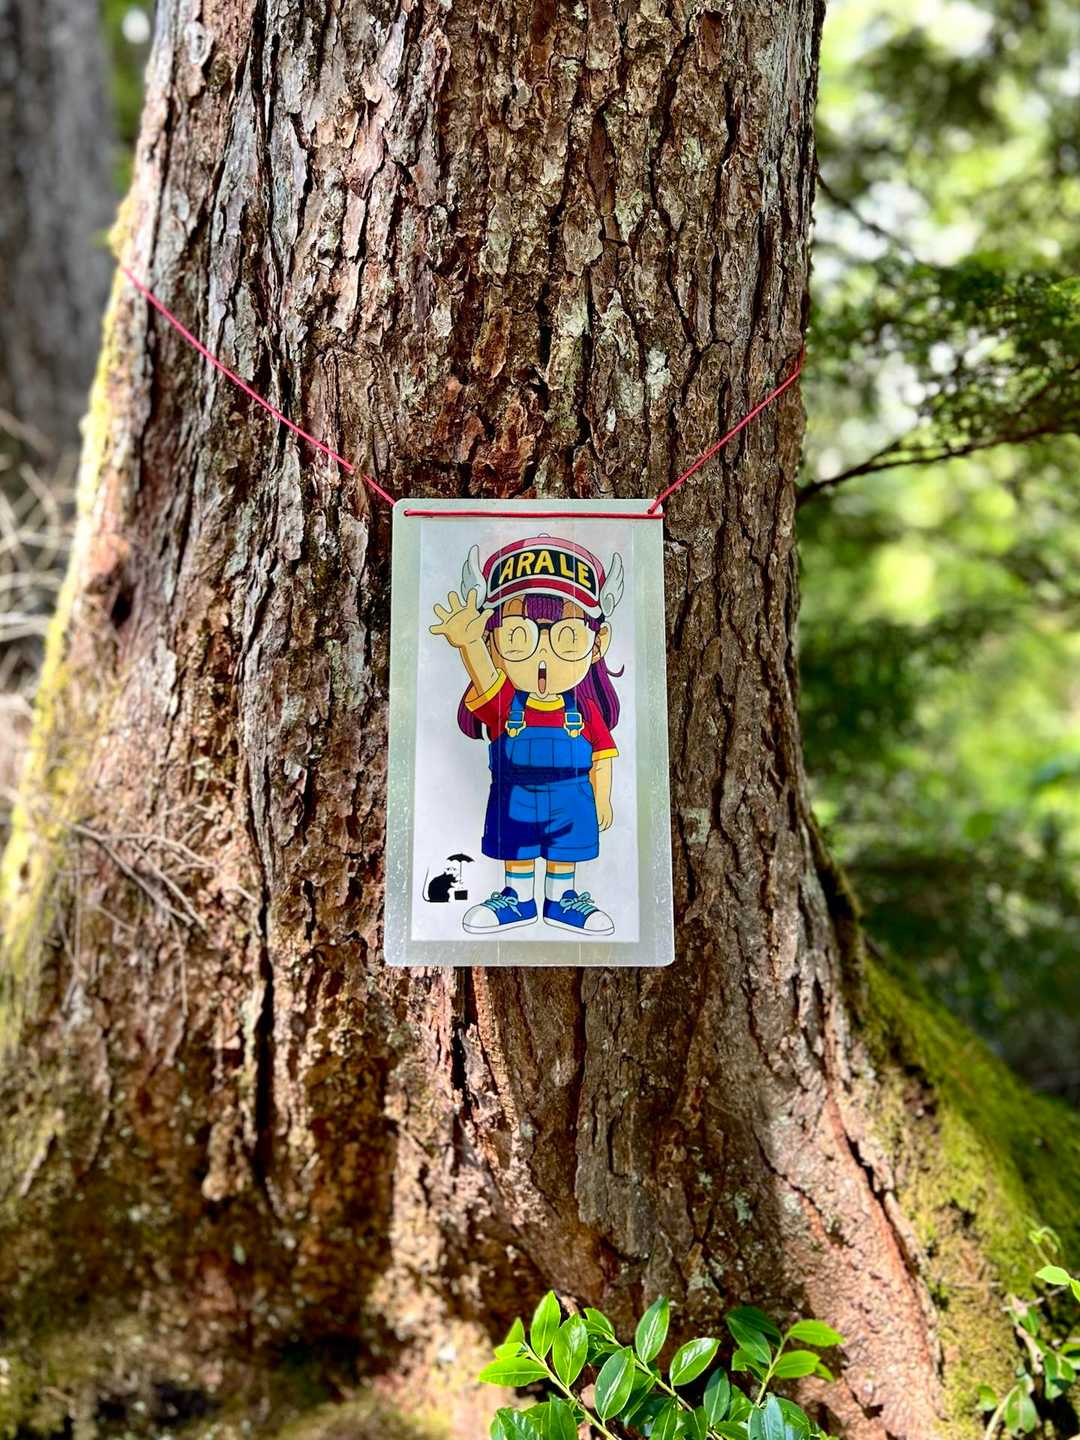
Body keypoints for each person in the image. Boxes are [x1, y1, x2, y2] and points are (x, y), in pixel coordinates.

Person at [430, 534, 624, 936]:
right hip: (514, 796)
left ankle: (562, 900)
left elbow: (602, 756)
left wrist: (602, 797)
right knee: (516, 850)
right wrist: (468, 644)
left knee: (565, 853)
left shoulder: (584, 711)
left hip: (572, 799)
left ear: (597, 643)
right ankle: (516, 900)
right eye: (519, 637)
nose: (542, 655)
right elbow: (484, 678)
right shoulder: (506, 705)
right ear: (494, 643)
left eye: (567, 638)